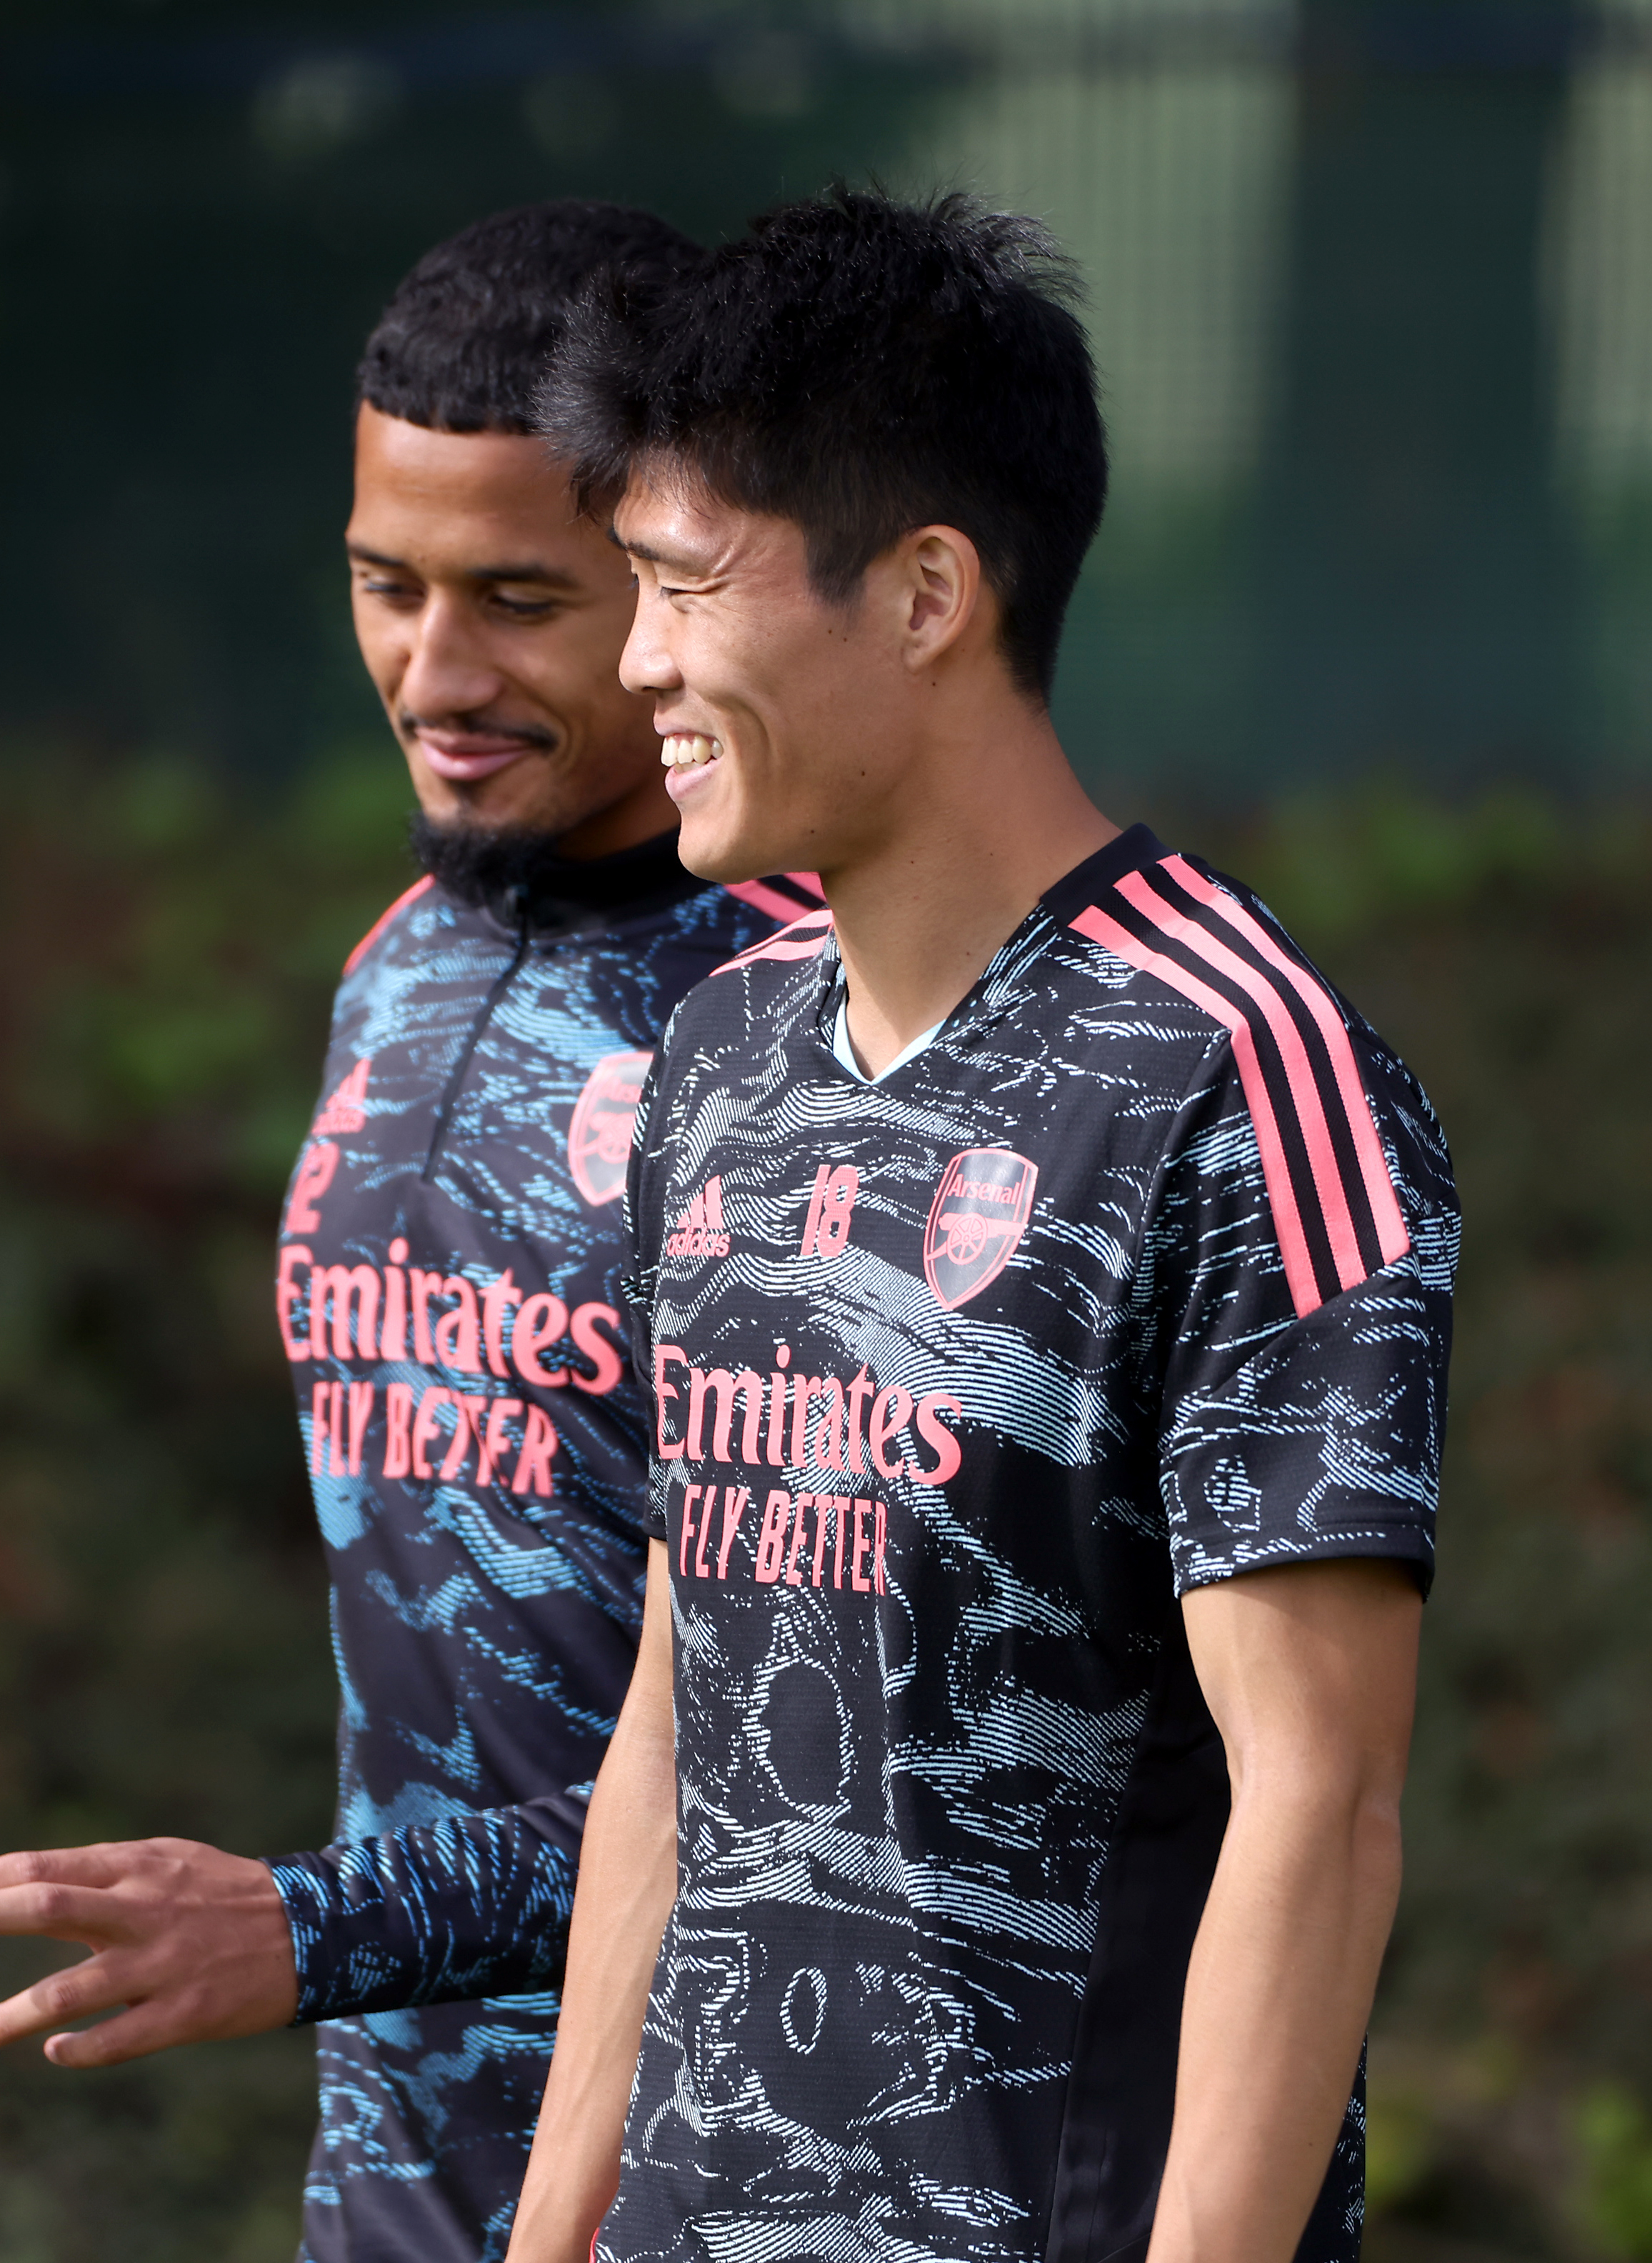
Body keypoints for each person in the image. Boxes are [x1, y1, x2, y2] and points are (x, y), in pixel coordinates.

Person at [505, 189, 1458, 2263]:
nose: (637, 659)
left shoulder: (1236, 1079)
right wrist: (554, 2224)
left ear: (925, 592)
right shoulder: (721, 1049)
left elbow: (1320, 1806)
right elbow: (683, 1685)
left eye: (680, 585)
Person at [0, 201, 821, 2263]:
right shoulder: (395, 967)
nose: (434, 672)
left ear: (684, 587)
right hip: (399, 2158)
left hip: (749, 2167)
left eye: (517, 600)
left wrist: (316, 1923)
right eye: (382, 587)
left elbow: (833, 1766)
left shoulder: (829, 1029)